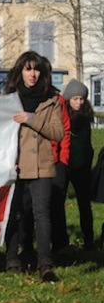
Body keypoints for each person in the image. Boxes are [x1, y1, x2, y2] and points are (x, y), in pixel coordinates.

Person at [4, 51, 64, 282]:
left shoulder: (52, 99)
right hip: (15, 164)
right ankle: (12, 258)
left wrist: (31, 119)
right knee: (15, 213)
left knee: (42, 215)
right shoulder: (9, 97)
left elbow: (58, 133)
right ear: (20, 71)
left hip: (41, 165)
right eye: (28, 69)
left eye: (36, 69)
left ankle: (45, 263)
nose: (32, 74)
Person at [52, 80, 95, 251]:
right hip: (64, 165)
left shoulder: (85, 118)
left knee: (85, 205)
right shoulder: (61, 116)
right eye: (75, 98)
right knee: (58, 204)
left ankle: (89, 240)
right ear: (68, 99)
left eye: (82, 99)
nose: (79, 102)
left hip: (81, 166)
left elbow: (87, 143)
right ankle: (60, 242)